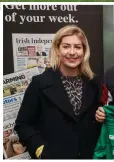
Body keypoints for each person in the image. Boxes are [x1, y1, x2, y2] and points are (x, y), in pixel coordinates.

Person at [14, 25, 101, 159]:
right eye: (66, 46)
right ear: (57, 49)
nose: (72, 52)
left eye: (78, 47)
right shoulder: (40, 83)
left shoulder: (94, 83)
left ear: (84, 51)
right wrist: (40, 150)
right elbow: (23, 125)